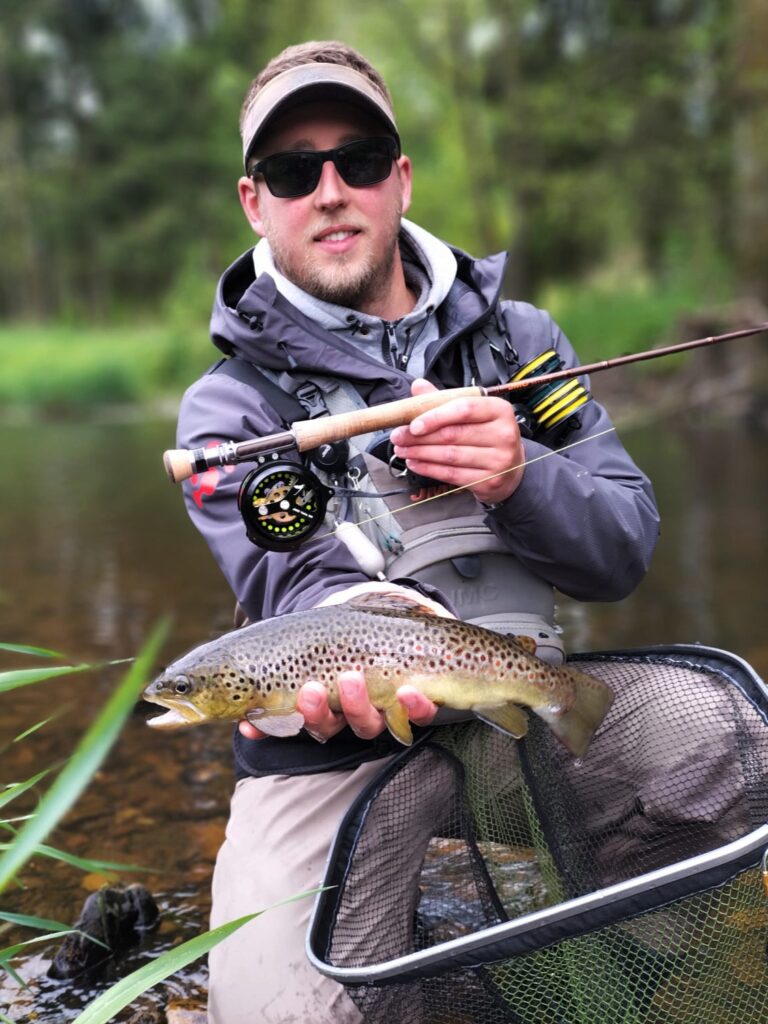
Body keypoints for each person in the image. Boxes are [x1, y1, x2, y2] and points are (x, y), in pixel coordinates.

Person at [174, 39, 660, 1024]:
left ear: (398, 180)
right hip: (338, 757)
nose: (329, 190)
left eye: (357, 160)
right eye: (291, 169)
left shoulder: (526, 346)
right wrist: (349, 652)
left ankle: (624, 974)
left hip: (519, 702)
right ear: (254, 201)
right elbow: (301, 591)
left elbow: (626, 545)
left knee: (723, 749)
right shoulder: (229, 415)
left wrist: (523, 476)